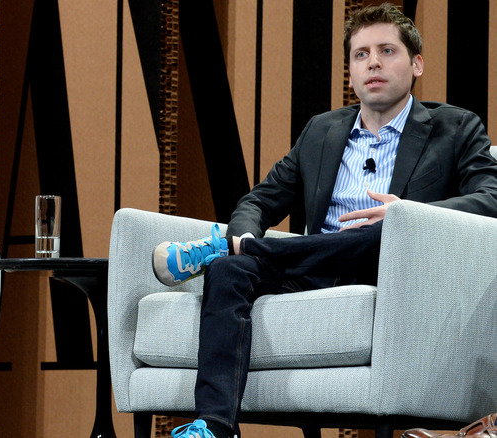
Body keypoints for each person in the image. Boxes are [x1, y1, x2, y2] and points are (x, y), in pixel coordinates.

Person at [152, 3, 497, 438]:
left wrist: (408, 215)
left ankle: (240, 247)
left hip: (391, 267)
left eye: (387, 50)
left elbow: (492, 198)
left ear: (416, 64)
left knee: (380, 232)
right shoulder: (321, 131)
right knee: (229, 270)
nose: (373, 61)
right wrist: (243, 231)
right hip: (313, 268)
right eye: (360, 54)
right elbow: (258, 201)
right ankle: (215, 425)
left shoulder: (457, 127)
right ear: (350, 72)